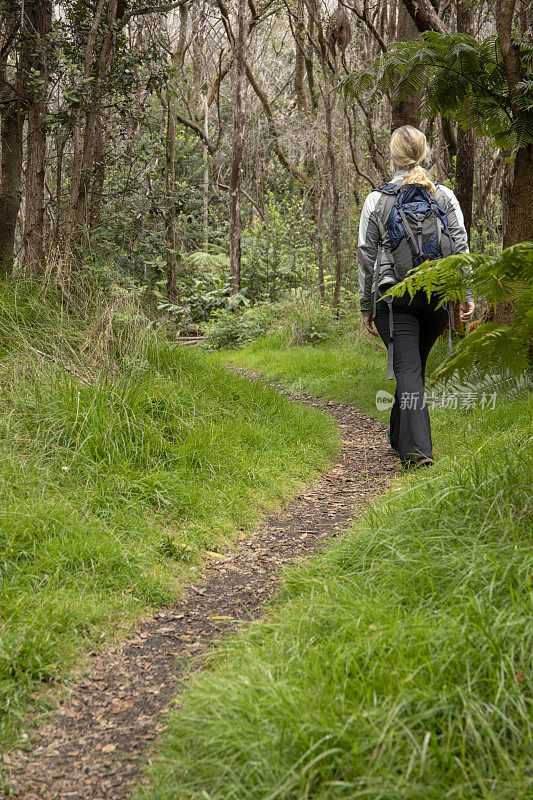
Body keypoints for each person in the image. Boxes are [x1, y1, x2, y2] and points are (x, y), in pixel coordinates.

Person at [357, 125, 475, 468]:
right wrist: (465, 294)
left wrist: (367, 306)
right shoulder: (444, 196)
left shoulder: (377, 200)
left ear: (391, 157)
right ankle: (398, 437)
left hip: (393, 300)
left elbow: (366, 256)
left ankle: (418, 453)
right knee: (412, 368)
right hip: (437, 298)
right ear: (424, 153)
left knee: (408, 370)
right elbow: (461, 246)